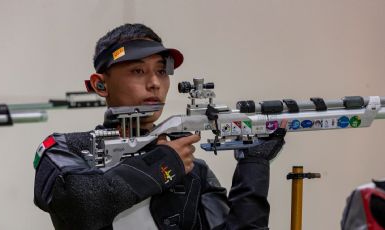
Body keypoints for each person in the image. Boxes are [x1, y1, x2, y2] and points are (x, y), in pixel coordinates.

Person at [33, 23, 287, 230]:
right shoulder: (66, 149)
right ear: (101, 85)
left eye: (162, 71)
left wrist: (253, 165)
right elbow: (82, 208)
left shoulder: (192, 169)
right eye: (137, 71)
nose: (155, 82)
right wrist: (165, 165)